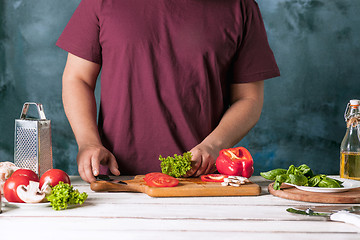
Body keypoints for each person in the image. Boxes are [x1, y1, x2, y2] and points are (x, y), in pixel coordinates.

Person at [57, 0, 280, 183]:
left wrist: (214, 145)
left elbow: (248, 99)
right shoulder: (101, 2)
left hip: (201, 184)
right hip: (117, 182)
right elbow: (78, 79)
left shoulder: (240, 6)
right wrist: (88, 143)